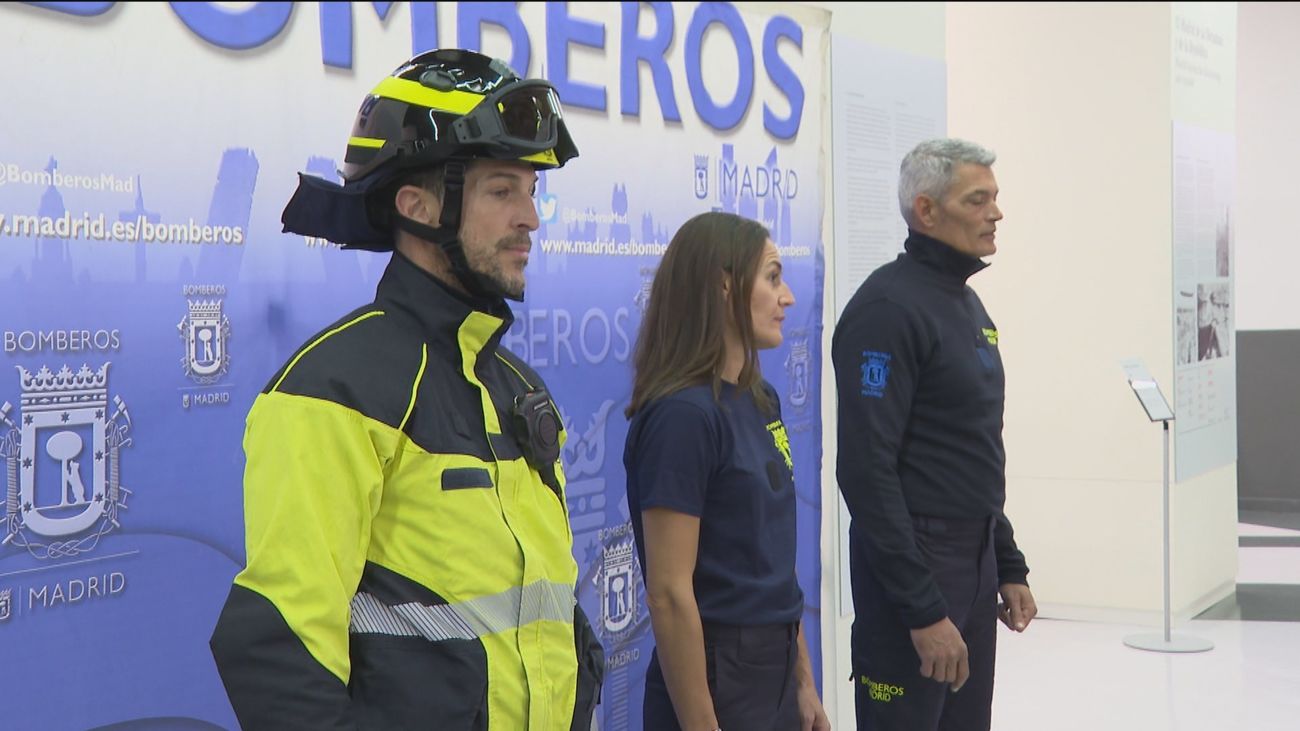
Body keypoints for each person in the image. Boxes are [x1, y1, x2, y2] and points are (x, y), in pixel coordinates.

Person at [209, 48, 603, 730]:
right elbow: (280, 651)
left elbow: (544, 613)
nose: (530, 219)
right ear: (416, 205)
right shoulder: (333, 387)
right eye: (502, 189)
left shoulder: (517, 389)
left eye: (533, 193)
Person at [832, 138, 1037, 731]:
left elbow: (969, 452)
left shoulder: (966, 306)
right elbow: (866, 471)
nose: (995, 213)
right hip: (915, 570)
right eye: (978, 200)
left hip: (970, 565)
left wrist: (1006, 561)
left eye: (994, 198)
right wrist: (921, 609)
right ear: (927, 210)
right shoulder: (887, 309)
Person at [623, 211, 831, 731]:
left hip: (774, 668)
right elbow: (670, 593)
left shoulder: (760, 400)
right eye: (773, 277)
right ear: (723, 285)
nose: (787, 299)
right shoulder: (682, 418)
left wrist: (804, 683)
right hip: (718, 675)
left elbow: (775, 567)